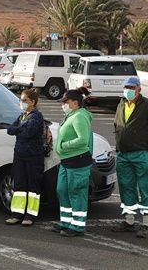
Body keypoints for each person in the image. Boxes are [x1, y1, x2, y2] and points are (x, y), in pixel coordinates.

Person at [112, 77, 148, 238]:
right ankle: (128, 221)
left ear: (139, 89)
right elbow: (117, 125)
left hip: (141, 153)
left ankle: (147, 224)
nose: (128, 90)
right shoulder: (121, 104)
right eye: (126, 87)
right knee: (126, 187)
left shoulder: (147, 105)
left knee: (146, 188)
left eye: (131, 87)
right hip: (123, 154)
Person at [53, 87, 93, 237]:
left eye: (65, 102)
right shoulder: (72, 115)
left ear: (75, 103)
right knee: (62, 190)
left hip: (78, 161)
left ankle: (77, 226)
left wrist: (64, 146)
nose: (63, 105)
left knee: (76, 192)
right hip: (67, 161)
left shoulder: (79, 117)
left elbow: (83, 140)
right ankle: (66, 221)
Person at [5, 89, 45, 226]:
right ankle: (17, 213)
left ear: (32, 102)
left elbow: (28, 132)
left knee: (33, 186)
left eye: (24, 100)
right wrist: (20, 129)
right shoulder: (23, 115)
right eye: (21, 100)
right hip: (20, 154)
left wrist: (18, 130)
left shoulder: (36, 116)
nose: (22, 103)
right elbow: (10, 129)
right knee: (19, 184)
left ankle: (30, 216)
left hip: (33, 156)